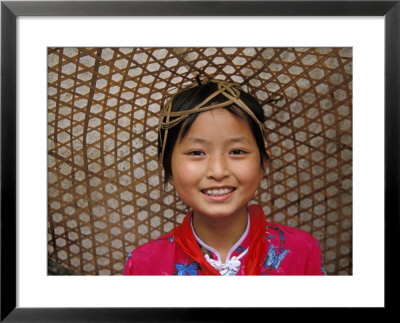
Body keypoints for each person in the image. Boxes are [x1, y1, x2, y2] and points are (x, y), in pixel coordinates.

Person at [124, 79, 326, 275]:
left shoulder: (302, 251)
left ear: (262, 165)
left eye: (237, 151)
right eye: (196, 152)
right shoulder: (144, 265)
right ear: (168, 168)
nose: (218, 171)